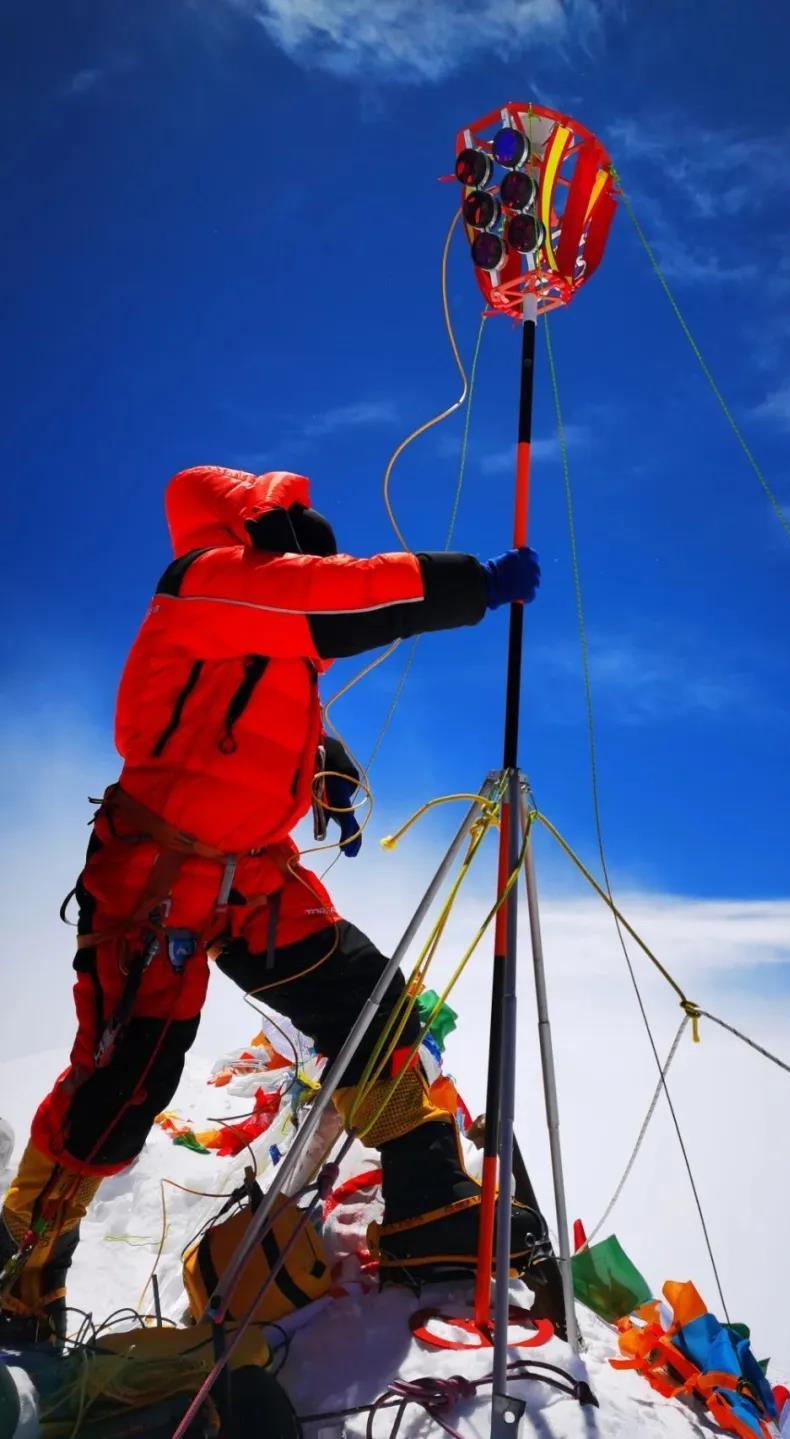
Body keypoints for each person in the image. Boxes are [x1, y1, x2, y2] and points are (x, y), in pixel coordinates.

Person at [0, 465, 544, 1342]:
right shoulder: (202, 581)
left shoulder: (263, 618)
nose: (309, 544)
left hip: (253, 871)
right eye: (293, 529)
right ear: (253, 527)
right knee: (124, 1076)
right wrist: (470, 584)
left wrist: (320, 767)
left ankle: (427, 1203)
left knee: (368, 999)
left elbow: (266, 696)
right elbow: (330, 602)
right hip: (158, 878)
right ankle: (22, 1270)